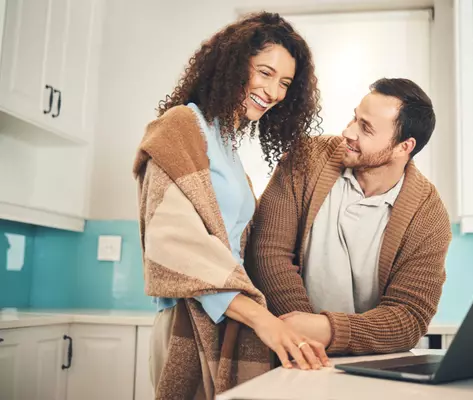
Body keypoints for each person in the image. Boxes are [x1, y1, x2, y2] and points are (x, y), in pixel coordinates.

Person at [132, 11, 328, 399]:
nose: (273, 91)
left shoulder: (227, 144)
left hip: (228, 319)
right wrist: (263, 320)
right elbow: (172, 243)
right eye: (265, 72)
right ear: (234, 64)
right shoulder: (180, 128)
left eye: (285, 82)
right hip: (185, 324)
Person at [247, 77, 452, 356]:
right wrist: (305, 337)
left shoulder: (428, 215)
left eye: (366, 128)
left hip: (374, 366)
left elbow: (409, 317)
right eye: (355, 118)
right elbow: (268, 253)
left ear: (404, 147)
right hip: (290, 352)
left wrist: (328, 330)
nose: (348, 131)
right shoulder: (306, 158)